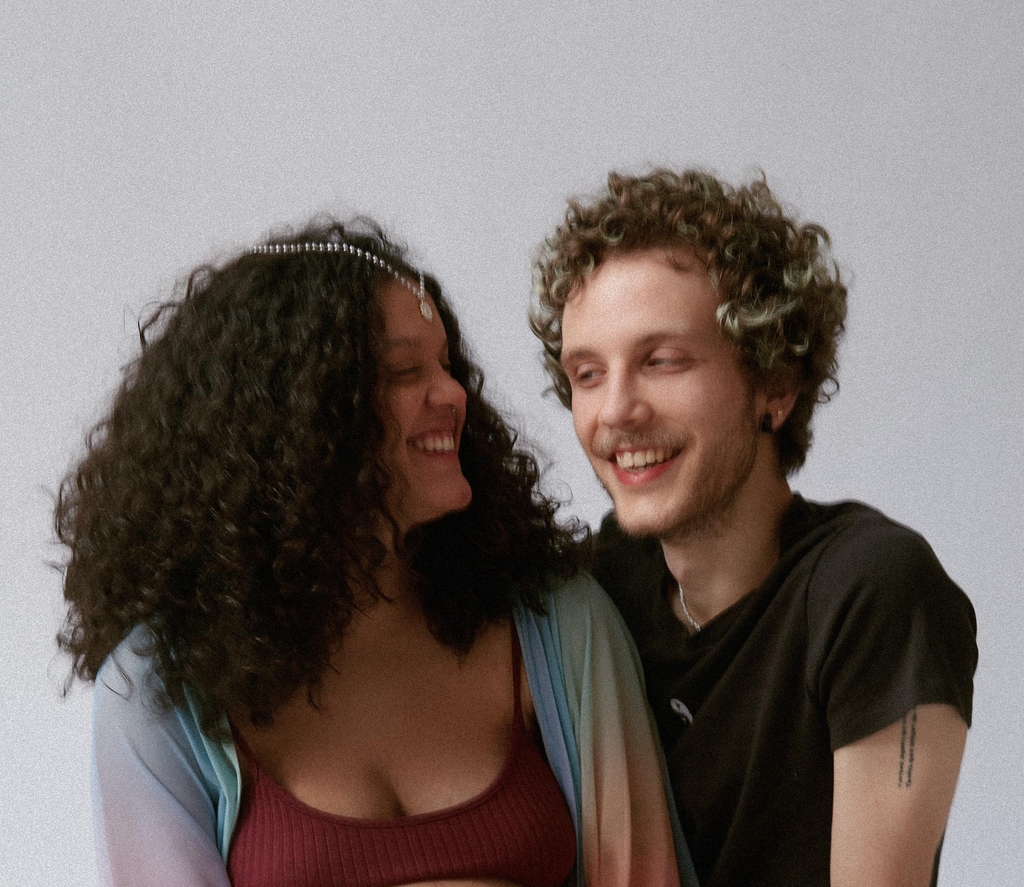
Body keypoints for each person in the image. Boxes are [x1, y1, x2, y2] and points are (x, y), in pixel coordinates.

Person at [56, 220, 693, 887]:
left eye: (448, 365)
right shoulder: (158, 689)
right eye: (402, 371)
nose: (452, 394)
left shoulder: (559, 621)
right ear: (296, 417)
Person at [531, 169, 977, 887]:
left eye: (662, 360)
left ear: (775, 384)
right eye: (586, 373)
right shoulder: (593, 592)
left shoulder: (870, 589)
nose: (615, 411)